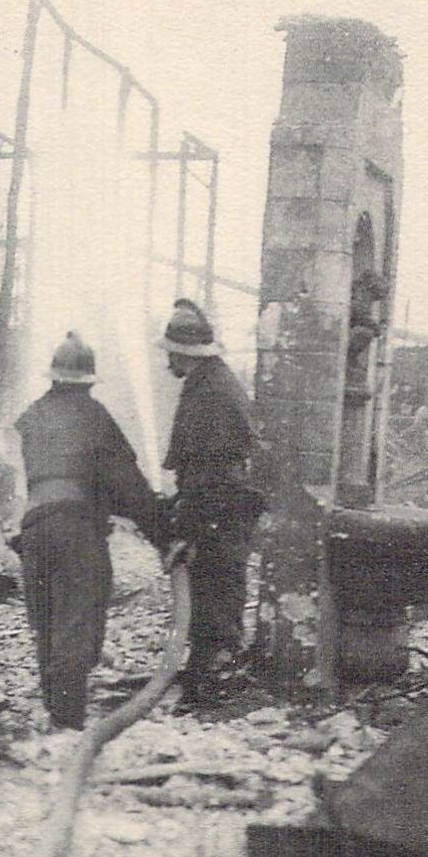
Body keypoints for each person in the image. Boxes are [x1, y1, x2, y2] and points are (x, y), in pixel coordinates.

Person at [14, 332, 157, 730]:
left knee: (46, 621)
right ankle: (68, 722)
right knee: (78, 620)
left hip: (35, 527)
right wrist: (161, 529)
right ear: (88, 382)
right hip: (76, 530)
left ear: (54, 377)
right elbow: (126, 484)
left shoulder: (33, 416)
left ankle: (55, 711)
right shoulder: (94, 417)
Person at [157, 299, 264, 710]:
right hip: (220, 509)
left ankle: (212, 685)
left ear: (185, 353)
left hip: (220, 510)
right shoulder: (209, 382)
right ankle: (204, 677)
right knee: (212, 593)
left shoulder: (211, 392)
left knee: (216, 595)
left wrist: (187, 526)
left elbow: (210, 470)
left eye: (171, 351)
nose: (167, 359)